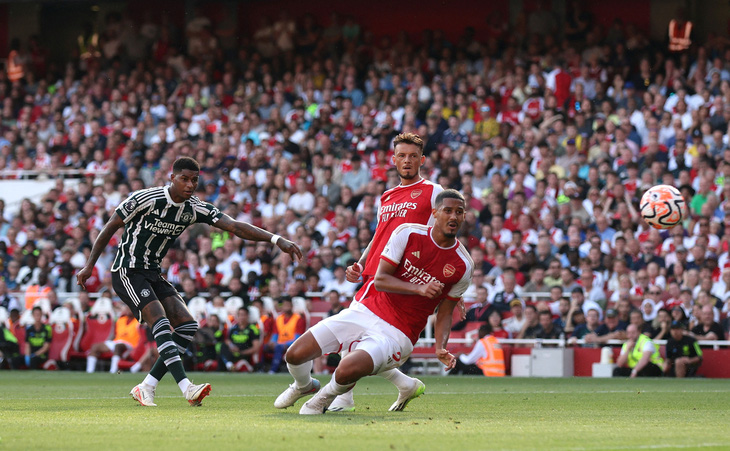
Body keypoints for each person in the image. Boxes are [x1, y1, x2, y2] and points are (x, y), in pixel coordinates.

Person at [77, 157, 302, 407]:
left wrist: (275, 239)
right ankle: (187, 388)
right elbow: (111, 226)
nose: (190, 184)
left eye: (194, 180)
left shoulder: (194, 208)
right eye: (184, 179)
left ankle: (147, 386)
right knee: (160, 320)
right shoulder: (145, 198)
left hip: (153, 273)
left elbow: (235, 226)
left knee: (187, 326)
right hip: (127, 270)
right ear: (171, 178)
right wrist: (89, 265)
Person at [275, 189, 473, 415]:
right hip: (366, 310)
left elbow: (446, 312)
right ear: (435, 213)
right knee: (295, 354)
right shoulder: (408, 233)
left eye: (459, 212)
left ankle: (323, 398)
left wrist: (440, 347)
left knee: (346, 369)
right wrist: (419, 287)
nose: (454, 217)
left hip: (399, 333)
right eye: (448, 211)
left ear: (464, 216)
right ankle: (304, 386)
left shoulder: (463, 265)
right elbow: (380, 280)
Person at [336, 132, 446, 412]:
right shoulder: (386, 196)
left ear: (422, 160)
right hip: (375, 272)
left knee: (355, 332)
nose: (407, 161)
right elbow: (378, 236)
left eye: (413, 156)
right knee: (359, 335)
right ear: (393, 159)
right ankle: (403, 384)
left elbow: (444, 232)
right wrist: (360, 262)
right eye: (402, 156)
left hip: (400, 276)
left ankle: (343, 397)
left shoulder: (433, 191)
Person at [86, 304, 142, 373]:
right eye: (126, 308)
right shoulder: (121, 319)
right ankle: (89, 371)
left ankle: (113, 371)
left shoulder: (139, 321)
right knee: (95, 346)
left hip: (131, 344)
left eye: (129, 308)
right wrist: (108, 342)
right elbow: (115, 333)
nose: (127, 310)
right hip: (117, 341)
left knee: (118, 346)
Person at [268, 297, 306, 373]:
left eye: (288, 305)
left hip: (292, 344)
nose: (286, 306)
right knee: (264, 346)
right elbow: (275, 334)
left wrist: (285, 344)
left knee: (279, 347)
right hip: (279, 343)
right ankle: (260, 367)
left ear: (292, 306)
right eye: (285, 305)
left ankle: (273, 370)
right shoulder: (278, 318)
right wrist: (272, 341)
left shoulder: (298, 319)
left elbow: (298, 338)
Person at [220, 307, 261, 372]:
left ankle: (234, 366)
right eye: (239, 315)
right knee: (222, 345)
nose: (241, 317)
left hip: (244, 353)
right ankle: (229, 365)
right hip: (233, 353)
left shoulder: (253, 329)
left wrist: (241, 352)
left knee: (241, 363)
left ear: (247, 316)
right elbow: (228, 340)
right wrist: (232, 346)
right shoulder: (234, 328)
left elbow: (256, 347)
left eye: (243, 315)